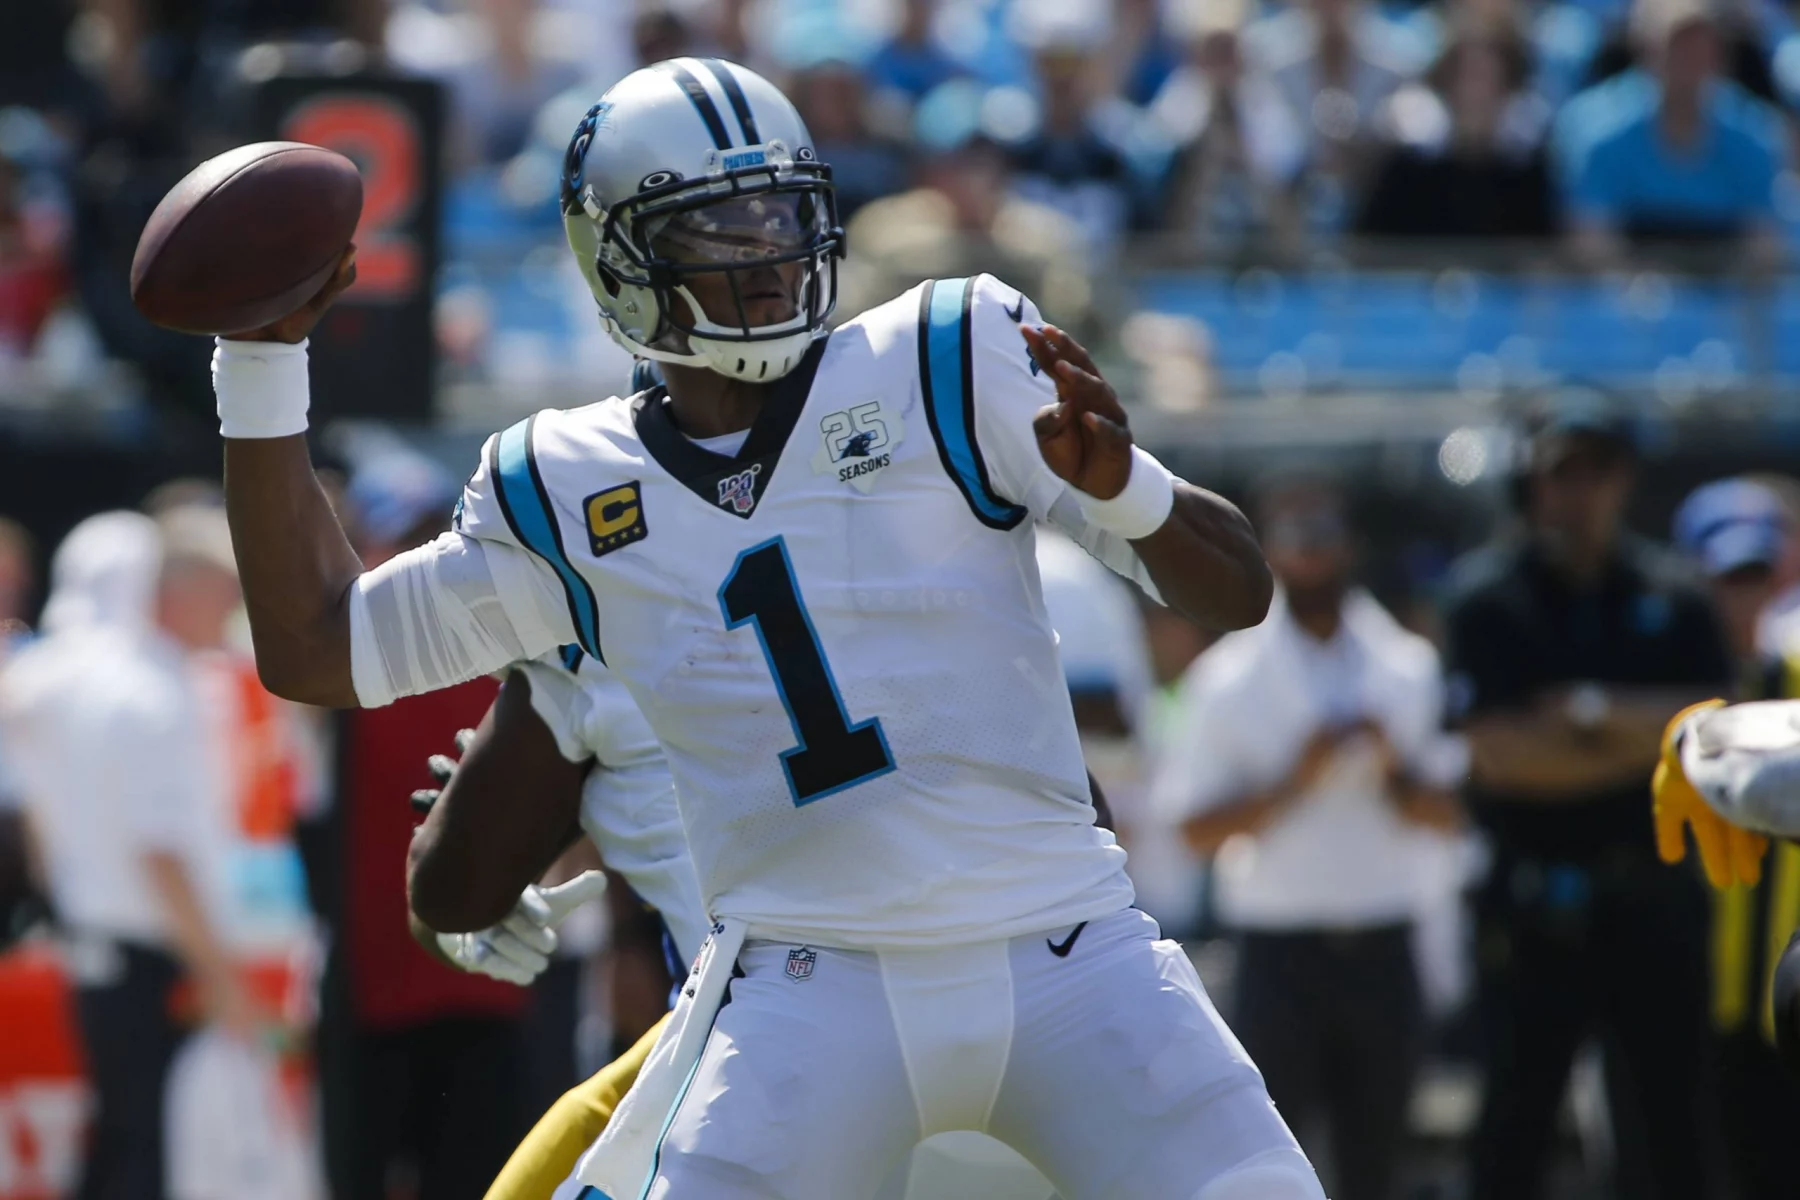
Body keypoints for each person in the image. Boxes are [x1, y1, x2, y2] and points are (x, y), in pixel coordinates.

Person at [207, 55, 1317, 1200]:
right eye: (721, 229)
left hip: (1074, 952)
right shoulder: (564, 487)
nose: (770, 251)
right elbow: (320, 649)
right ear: (624, 263)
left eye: (783, 211)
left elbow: (1236, 594)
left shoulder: (952, 352)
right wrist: (259, 361)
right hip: (803, 987)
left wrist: (1129, 491)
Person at [1441, 390, 1734, 1200]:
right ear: (1530, 482)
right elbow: (1500, 758)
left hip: (1657, 900)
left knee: (1673, 1133)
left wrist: (1588, 716)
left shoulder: (1675, 592)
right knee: (1513, 1131)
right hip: (1535, 910)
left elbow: (1716, 730)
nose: (1580, 490)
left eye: (1598, 470)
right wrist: (1651, 741)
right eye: (1562, 471)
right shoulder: (1488, 598)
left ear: (1625, 479)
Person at [1154, 475, 1464, 1200]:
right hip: (1280, 957)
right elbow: (1193, 831)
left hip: (1385, 945)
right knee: (1273, 1166)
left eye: (1322, 537)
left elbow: (1450, 815)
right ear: (1270, 552)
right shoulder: (1226, 681)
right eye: (1292, 540)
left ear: (1348, 546)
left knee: (1378, 1161)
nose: (1309, 555)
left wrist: (1391, 771)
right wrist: (1297, 780)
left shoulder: (1406, 667)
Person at [0, 511, 253, 1200]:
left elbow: (46, 834)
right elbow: (161, 853)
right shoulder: (151, 694)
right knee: (144, 1151)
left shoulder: (51, 684)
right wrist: (221, 971)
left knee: (118, 1138)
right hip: (149, 955)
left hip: (95, 944)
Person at [1668, 477, 1800, 1200]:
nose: (1748, 595)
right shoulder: (1677, 667)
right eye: (1729, 578)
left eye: (1762, 571)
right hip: (1716, 996)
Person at [1554, 0, 1787, 268]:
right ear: (1647, 51)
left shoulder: (1754, 139)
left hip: (1722, 303)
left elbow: (1762, 252)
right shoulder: (1598, 138)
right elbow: (1594, 252)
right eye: (1677, 47)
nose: (1690, 61)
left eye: (1702, 47)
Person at [1354, 13, 1558, 242]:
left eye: (1489, 80)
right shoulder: (1408, 169)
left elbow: (1541, 256)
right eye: (1466, 78)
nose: (1476, 93)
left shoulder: (1528, 174)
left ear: (1509, 88)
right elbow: (1374, 252)